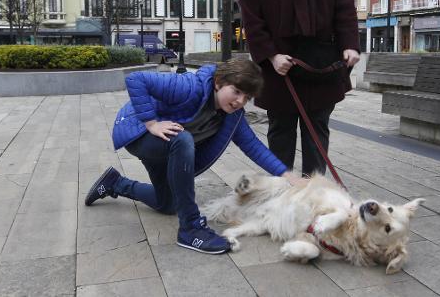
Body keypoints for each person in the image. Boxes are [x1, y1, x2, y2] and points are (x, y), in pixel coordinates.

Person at [84, 59, 300, 255]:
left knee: (167, 204)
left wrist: (286, 175)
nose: (240, 101)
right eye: (236, 91)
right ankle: (190, 228)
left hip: (168, 148)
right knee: (183, 139)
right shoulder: (190, 87)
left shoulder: (232, 116)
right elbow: (135, 79)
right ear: (218, 82)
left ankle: (116, 184)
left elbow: (253, 146)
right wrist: (151, 123)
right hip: (140, 134)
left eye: (247, 97)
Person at [239, 0, 360, 177]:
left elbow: (344, 6)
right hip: (280, 66)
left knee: (316, 131)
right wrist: (271, 55)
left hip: (320, 63)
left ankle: (314, 199)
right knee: (280, 131)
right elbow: (252, 21)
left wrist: (349, 44)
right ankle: (280, 195)